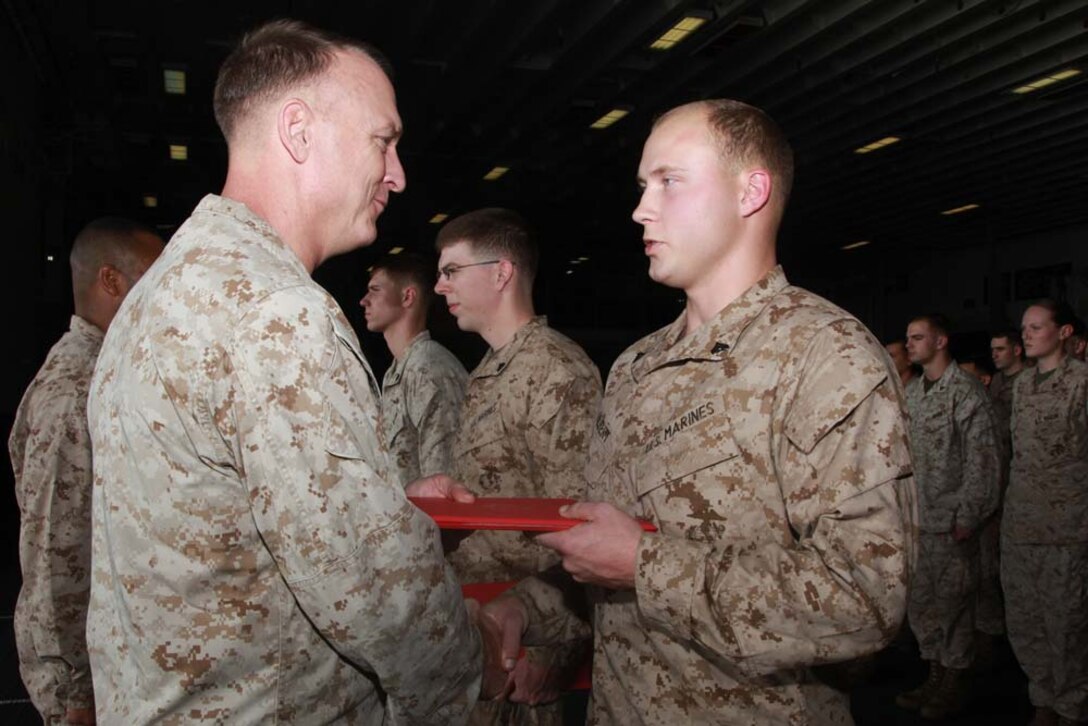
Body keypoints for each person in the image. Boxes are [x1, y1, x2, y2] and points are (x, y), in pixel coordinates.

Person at [84, 20, 502, 723]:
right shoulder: (277, 312)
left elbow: (224, 523)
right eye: (383, 140)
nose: (398, 174)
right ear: (299, 131)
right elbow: (376, 592)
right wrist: (475, 659)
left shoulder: (160, 292)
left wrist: (389, 499)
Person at [485, 100, 917, 724]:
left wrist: (645, 564)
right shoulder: (636, 366)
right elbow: (602, 559)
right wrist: (526, 607)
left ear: (751, 192)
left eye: (669, 181)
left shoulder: (825, 355)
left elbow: (867, 597)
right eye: (642, 186)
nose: (641, 208)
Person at [434, 208, 602, 725]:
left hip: (524, 656)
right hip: (483, 639)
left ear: (501, 272)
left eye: (451, 271)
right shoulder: (487, 372)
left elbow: (584, 529)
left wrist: (555, 654)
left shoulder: (557, 373)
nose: (440, 287)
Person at [9, 218, 163, 726]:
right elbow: (56, 546)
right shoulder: (75, 394)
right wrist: (76, 690)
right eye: (152, 275)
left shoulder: (108, 373)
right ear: (111, 280)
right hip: (88, 680)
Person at [897, 314, 1001, 718]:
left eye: (917, 337)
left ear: (941, 342)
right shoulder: (914, 394)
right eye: (907, 338)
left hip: (953, 522)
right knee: (923, 606)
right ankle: (935, 673)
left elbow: (984, 460)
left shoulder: (965, 392)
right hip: (920, 521)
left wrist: (969, 516)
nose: (909, 344)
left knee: (955, 606)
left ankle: (955, 680)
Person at [1004, 300, 1088, 726]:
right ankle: (1043, 697)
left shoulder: (1081, 382)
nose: (1027, 334)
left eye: (1037, 327)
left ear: (1065, 332)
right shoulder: (1022, 386)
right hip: (1021, 524)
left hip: (1067, 528)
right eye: (1024, 328)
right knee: (1025, 619)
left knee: (1067, 623)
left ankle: (1071, 705)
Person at [360, 253, 467, 486]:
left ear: (408, 297)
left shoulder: (429, 370)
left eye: (375, 290)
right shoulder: (398, 371)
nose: (364, 300)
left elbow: (444, 482)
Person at [976, 328, 1026, 650]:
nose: (995, 354)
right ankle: (994, 631)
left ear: (1017, 351)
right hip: (996, 479)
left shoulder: (1029, 382)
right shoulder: (993, 384)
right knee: (989, 564)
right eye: (992, 349)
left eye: (1001, 349)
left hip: (1019, 482)